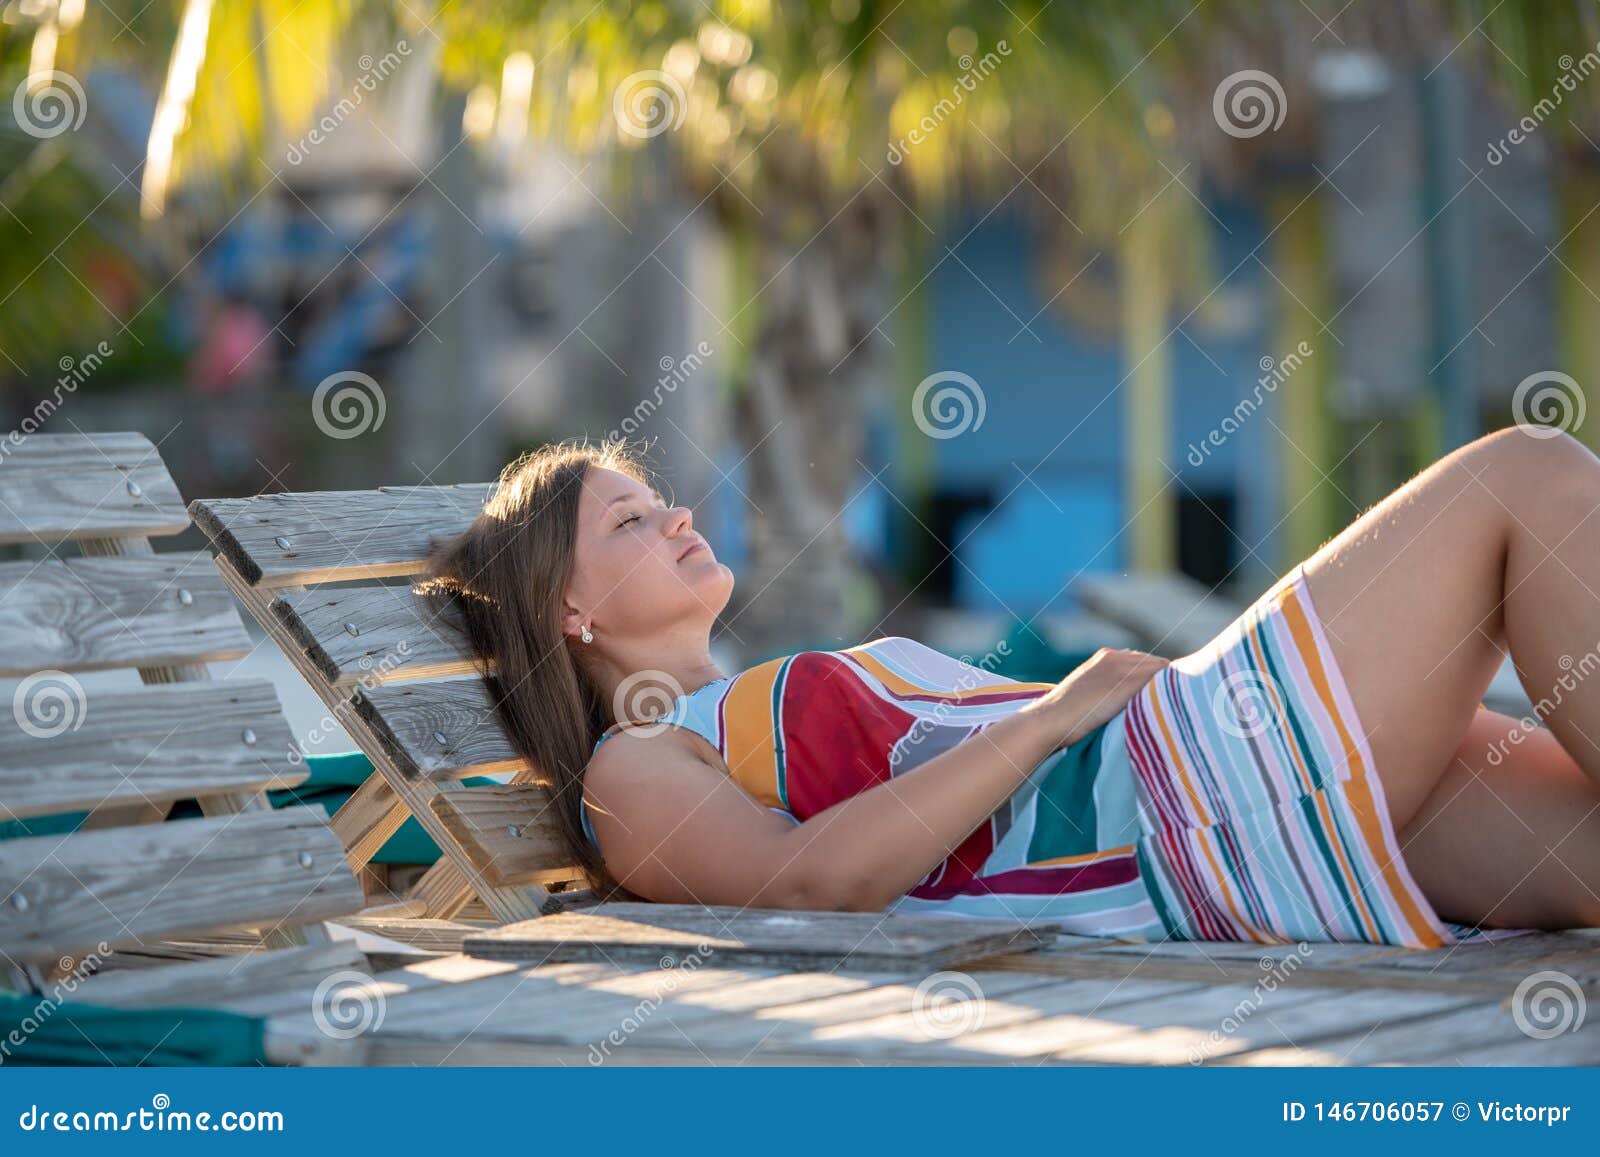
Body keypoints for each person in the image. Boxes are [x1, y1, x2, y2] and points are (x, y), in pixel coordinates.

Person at [420, 428, 1600, 946]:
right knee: (1524, 477)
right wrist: (1049, 714)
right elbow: (807, 883)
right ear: (564, 612)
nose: (675, 512)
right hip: (1177, 809)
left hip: (1192, 787)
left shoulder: (739, 700)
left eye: (656, 495)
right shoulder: (635, 765)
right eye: (630, 518)